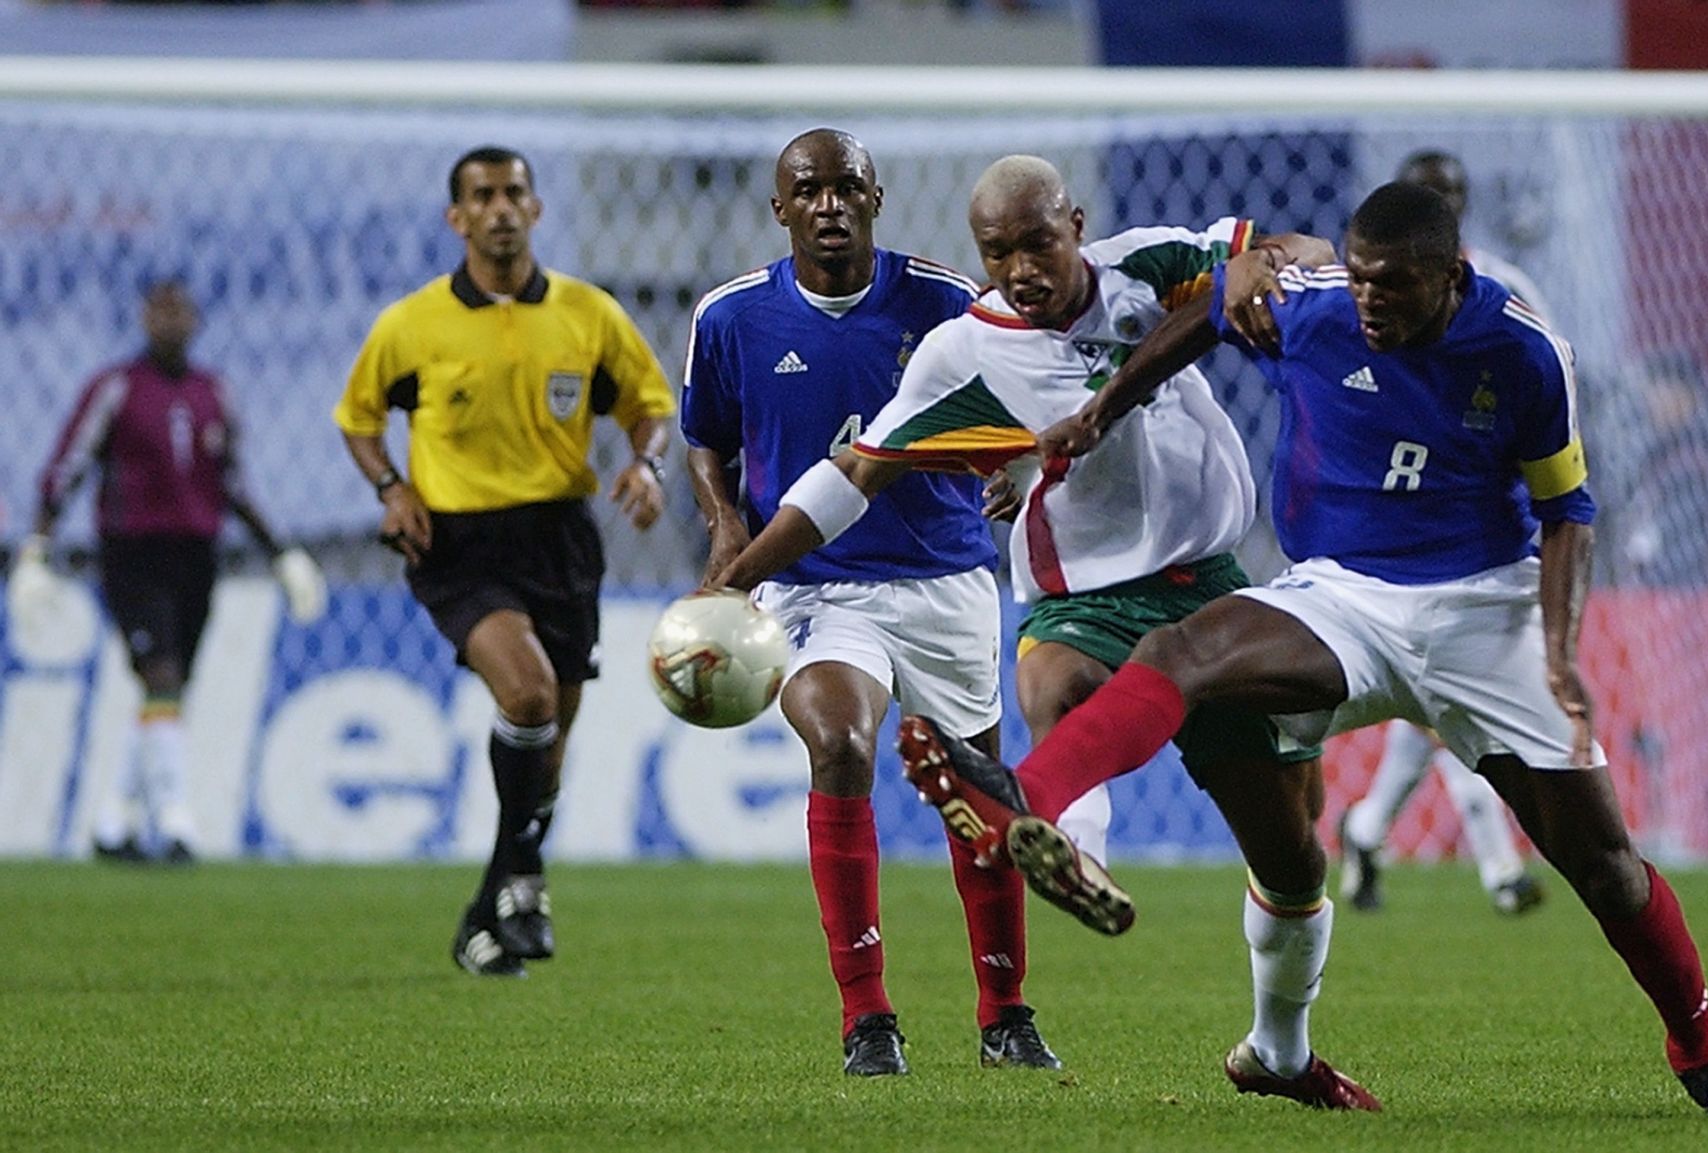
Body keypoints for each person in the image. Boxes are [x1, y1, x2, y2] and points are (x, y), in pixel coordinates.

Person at [909, 180, 1708, 1117]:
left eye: (1394, 285)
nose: (1370, 302)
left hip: (1488, 608)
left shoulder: (1525, 351)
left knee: (1601, 863)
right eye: (1359, 280)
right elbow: (1199, 320)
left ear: (1453, 275)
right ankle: (1022, 801)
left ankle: (1704, 1045)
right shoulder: (1314, 309)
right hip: (1343, 596)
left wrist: (1559, 656)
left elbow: (1568, 512)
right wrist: (1103, 409)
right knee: (1180, 650)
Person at [714, 155, 1376, 1109]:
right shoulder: (962, 351)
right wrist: (738, 578)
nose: (1020, 268)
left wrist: (1265, 259)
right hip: (1082, 595)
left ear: (1076, 223)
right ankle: (1076, 859)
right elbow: (856, 472)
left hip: (1212, 587)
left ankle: (1279, 1049)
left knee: (1292, 856)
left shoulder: (1147, 269)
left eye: (1037, 243)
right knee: (1056, 689)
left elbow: (1301, 253)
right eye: (997, 253)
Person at [682, 128, 1065, 1076]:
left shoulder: (944, 301)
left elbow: (1020, 399)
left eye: (846, 186)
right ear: (780, 209)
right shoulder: (731, 319)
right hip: (813, 588)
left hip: (942, 578)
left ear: (875, 196)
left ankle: (1005, 1010)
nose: (828, 204)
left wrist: (1016, 462)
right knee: (842, 740)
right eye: (807, 190)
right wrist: (725, 523)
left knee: (977, 791)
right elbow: (705, 437)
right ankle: (867, 1017)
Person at [334, 146, 673, 979]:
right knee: (524, 695)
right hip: (458, 544)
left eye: (513, 192)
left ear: (537, 207)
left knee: (547, 749)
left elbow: (650, 406)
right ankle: (524, 876)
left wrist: (647, 464)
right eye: (482, 196)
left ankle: (486, 912)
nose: (500, 208)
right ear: (457, 218)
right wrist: (390, 486)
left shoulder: (587, 314)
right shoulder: (411, 324)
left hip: (560, 537)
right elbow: (358, 416)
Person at [7, 279, 326, 865]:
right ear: (143, 318)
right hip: (132, 552)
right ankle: (177, 818)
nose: (170, 322)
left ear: (196, 320)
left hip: (196, 554)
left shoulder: (214, 393)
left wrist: (281, 554)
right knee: (161, 672)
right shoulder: (117, 389)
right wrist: (37, 549)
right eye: (160, 311)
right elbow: (67, 467)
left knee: (168, 687)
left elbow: (231, 483)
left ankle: (113, 821)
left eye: (180, 311)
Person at [1337, 148, 1553, 918]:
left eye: (1448, 197)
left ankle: (1363, 829)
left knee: (1442, 708)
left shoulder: (1507, 293)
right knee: (1454, 705)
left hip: (1486, 528)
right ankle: (1500, 871)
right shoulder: (1354, 299)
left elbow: (1548, 386)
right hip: (1393, 538)